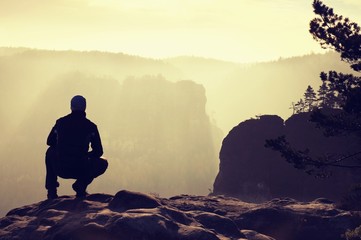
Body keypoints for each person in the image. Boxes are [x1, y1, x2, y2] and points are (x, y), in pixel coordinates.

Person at [45, 95, 108, 199]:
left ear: (71, 107)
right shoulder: (90, 126)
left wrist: (63, 148)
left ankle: (51, 191)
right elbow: (99, 152)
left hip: (61, 167)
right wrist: (85, 155)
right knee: (103, 162)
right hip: (81, 168)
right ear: (85, 107)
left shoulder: (61, 123)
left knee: (50, 151)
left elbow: (49, 141)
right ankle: (80, 186)